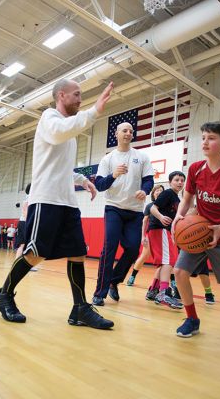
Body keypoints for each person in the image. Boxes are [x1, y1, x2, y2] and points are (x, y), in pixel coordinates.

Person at [0, 78, 114, 330]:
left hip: (67, 201)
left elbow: (63, 167)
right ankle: (4, 295)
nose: (80, 99)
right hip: (45, 198)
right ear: (61, 96)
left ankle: (80, 308)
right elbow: (58, 134)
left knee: (78, 252)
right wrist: (93, 112)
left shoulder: (68, 131)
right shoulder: (49, 118)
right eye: (76, 94)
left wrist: (82, 180)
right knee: (36, 253)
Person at [172, 121, 220, 338]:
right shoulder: (196, 169)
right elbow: (186, 199)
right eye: (204, 137)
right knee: (179, 272)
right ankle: (192, 319)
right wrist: (179, 217)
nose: (205, 142)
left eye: (212, 138)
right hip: (200, 235)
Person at [92, 122, 154, 306]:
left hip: (134, 211)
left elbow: (149, 180)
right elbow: (100, 185)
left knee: (134, 249)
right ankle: (100, 293)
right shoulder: (108, 159)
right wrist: (114, 175)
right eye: (124, 130)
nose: (128, 133)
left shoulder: (141, 156)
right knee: (109, 248)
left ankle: (114, 280)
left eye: (130, 131)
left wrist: (145, 190)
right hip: (114, 208)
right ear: (116, 133)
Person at [145, 171, 185, 310]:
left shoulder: (177, 199)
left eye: (182, 180)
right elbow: (153, 208)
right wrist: (161, 217)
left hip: (165, 231)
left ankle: (153, 290)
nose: (180, 182)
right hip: (159, 229)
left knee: (165, 262)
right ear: (170, 182)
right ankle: (163, 292)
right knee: (169, 261)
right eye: (177, 180)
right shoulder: (167, 193)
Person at [126, 185, 164, 287]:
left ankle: (172, 283)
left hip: (164, 234)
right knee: (144, 256)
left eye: (161, 191)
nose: (159, 192)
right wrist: (143, 236)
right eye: (157, 190)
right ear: (153, 193)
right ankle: (132, 276)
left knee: (167, 259)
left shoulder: (166, 206)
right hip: (151, 234)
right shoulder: (150, 206)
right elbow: (144, 221)